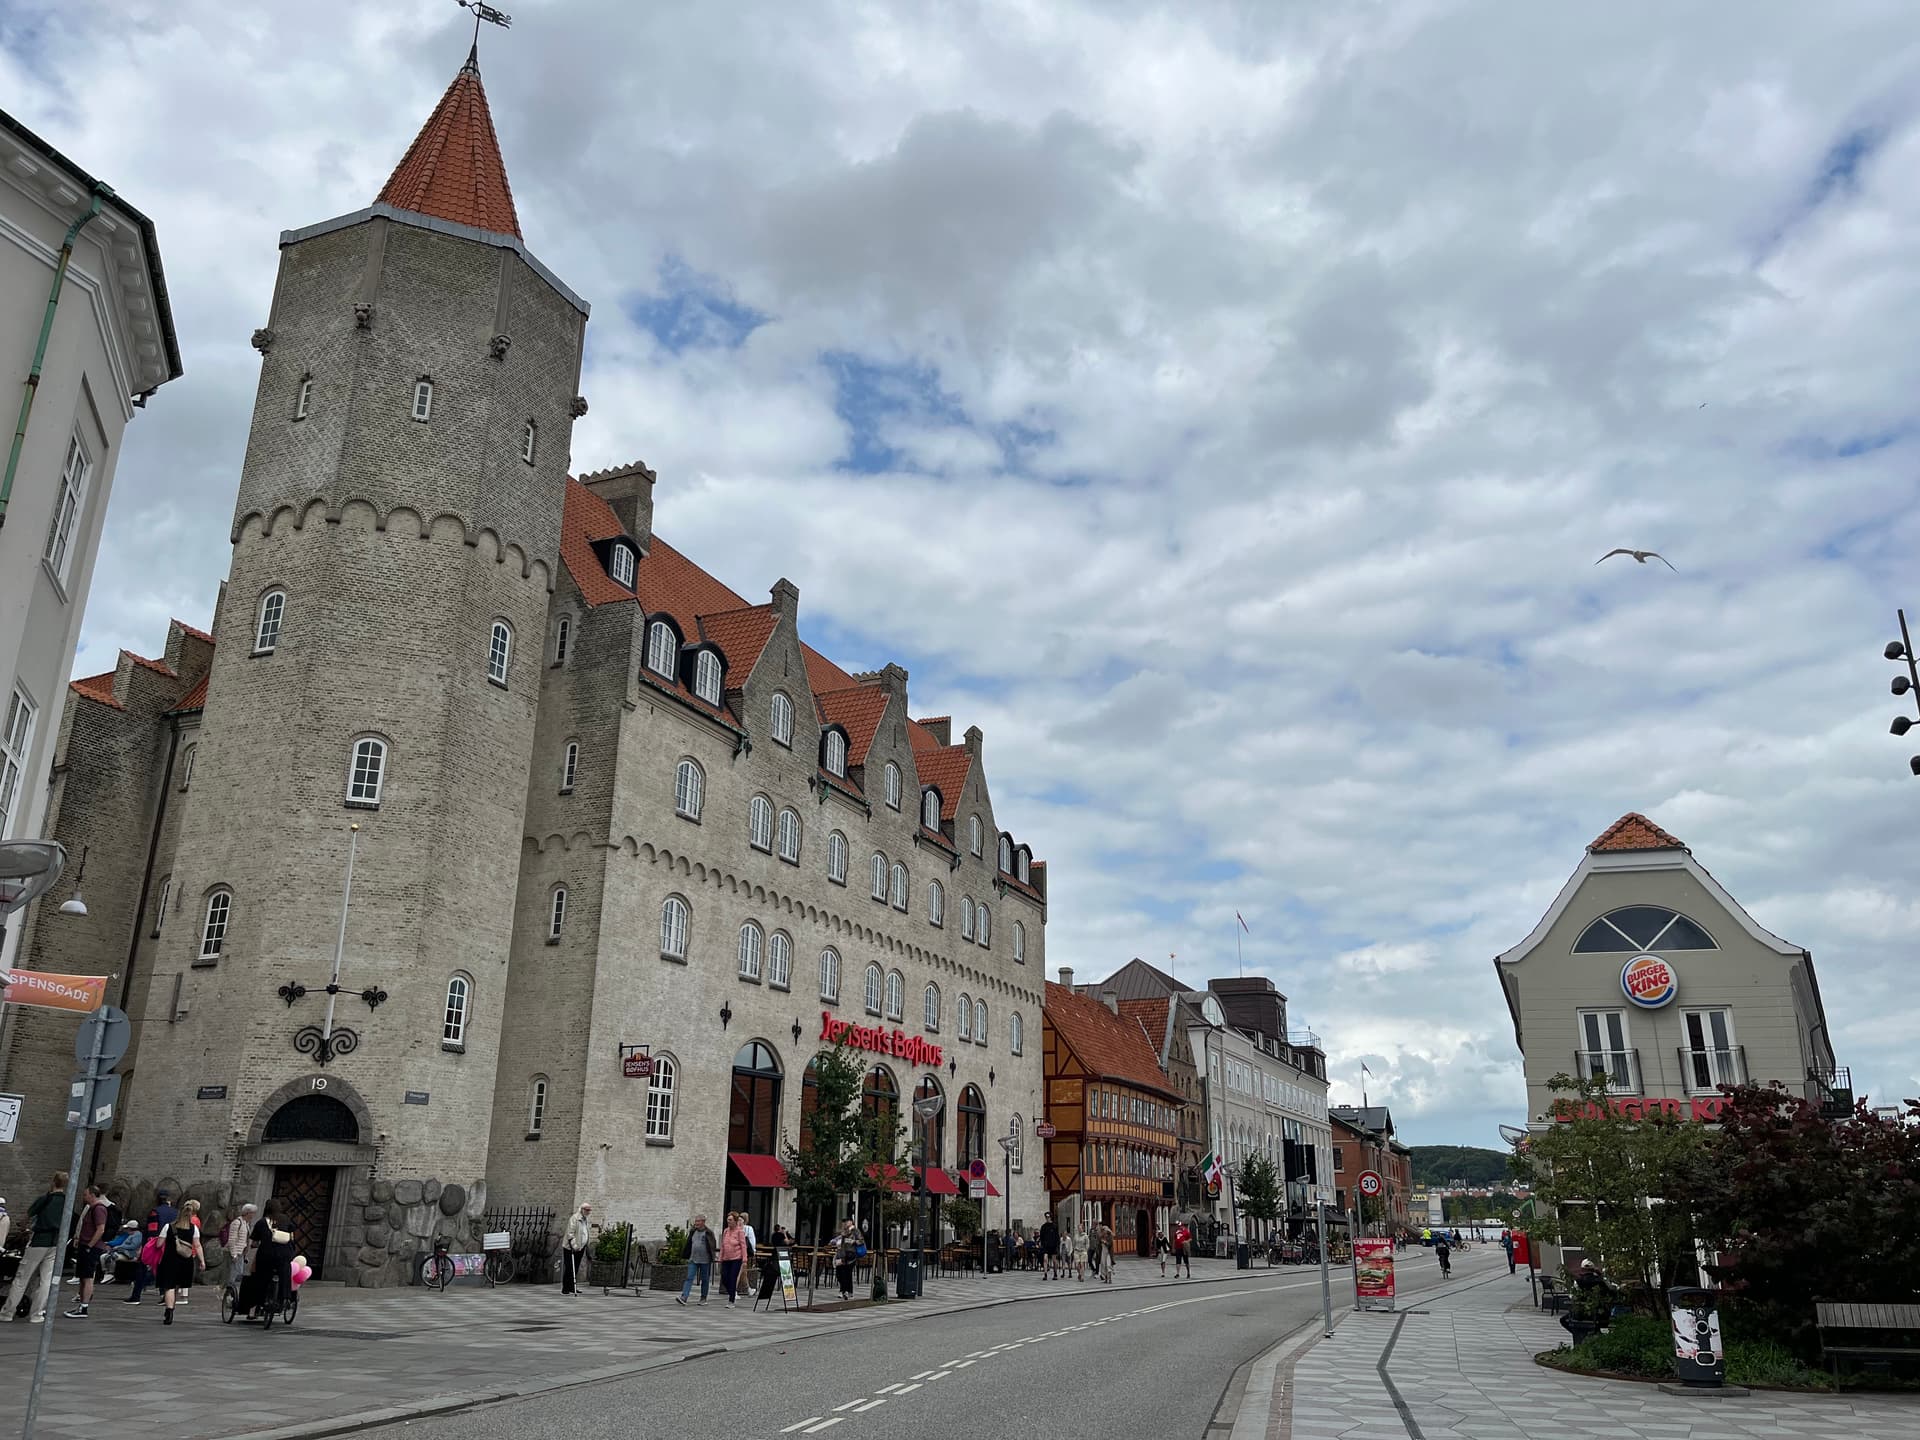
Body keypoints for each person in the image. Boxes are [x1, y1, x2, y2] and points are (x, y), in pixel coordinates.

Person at [5, 1170, 67, 1324]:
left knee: (22, 1278)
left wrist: (23, 1227)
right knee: (46, 1279)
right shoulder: (67, 1201)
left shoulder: (45, 1199)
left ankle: (7, 1312)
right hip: (56, 1242)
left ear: (53, 1182)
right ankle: (37, 1314)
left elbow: (27, 1216)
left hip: (39, 1240)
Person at [62, 1185, 113, 1318]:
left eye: (85, 1194)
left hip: (91, 1247)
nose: (83, 1197)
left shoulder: (99, 1209)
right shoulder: (90, 1208)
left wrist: (90, 1245)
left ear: (92, 1195)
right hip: (85, 1245)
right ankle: (81, 1305)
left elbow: (100, 1229)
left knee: (88, 1277)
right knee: (83, 1277)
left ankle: (84, 1307)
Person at [243, 1202, 294, 1322]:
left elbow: (254, 1242)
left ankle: (257, 1305)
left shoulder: (262, 1222)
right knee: (285, 1275)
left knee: (260, 1278)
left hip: (267, 1255)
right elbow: (292, 1236)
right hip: (284, 1254)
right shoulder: (286, 1220)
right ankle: (286, 1298)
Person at [155, 1199, 203, 1325]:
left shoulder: (168, 1226)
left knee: (168, 1286)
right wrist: (202, 1261)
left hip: (169, 1260)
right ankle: (172, 1307)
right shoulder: (194, 1229)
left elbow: (159, 1244)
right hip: (185, 1261)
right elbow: (197, 1245)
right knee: (176, 1286)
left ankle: (169, 1310)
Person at [128, 1187, 178, 1306]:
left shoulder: (155, 1211)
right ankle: (163, 1296)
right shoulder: (175, 1212)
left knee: (142, 1268)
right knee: (163, 1271)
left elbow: (152, 1230)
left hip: (156, 1242)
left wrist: (145, 1248)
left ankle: (136, 1296)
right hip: (170, 1244)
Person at [222, 1204, 258, 1302]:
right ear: (247, 1213)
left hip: (241, 1253)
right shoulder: (237, 1223)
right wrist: (233, 1254)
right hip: (236, 1253)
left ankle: (231, 1295)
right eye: (252, 1213)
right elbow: (232, 1239)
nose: (253, 1215)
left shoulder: (246, 1223)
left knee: (238, 1275)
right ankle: (228, 1296)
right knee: (233, 1275)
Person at [677, 1214, 716, 1305]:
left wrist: (712, 1256)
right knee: (689, 1277)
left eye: (698, 1221)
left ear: (703, 1222)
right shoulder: (693, 1231)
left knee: (705, 1279)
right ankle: (684, 1297)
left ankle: (703, 1298)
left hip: (705, 1260)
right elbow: (689, 1243)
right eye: (696, 1221)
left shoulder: (709, 1232)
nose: (696, 1223)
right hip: (693, 1259)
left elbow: (712, 1245)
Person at [561, 1202, 592, 1296]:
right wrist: (574, 1246)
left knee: (576, 1267)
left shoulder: (584, 1219)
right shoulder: (575, 1218)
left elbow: (584, 1232)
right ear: (582, 1209)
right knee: (570, 1267)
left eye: (589, 1210)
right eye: (587, 1210)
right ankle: (565, 1288)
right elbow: (570, 1233)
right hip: (571, 1248)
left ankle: (572, 1287)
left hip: (580, 1247)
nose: (588, 1212)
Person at [719, 1212, 749, 1306]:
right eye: (728, 1220)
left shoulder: (740, 1231)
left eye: (731, 1220)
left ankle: (731, 1300)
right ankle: (731, 1291)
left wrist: (744, 1260)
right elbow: (723, 1245)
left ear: (735, 1221)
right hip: (726, 1258)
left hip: (736, 1258)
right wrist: (720, 1257)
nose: (728, 1222)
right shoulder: (726, 1231)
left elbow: (743, 1246)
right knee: (724, 1277)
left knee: (732, 1278)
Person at [831, 1218, 861, 1300]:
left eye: (846, 1223)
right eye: (843, 1223)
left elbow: (860, 1241)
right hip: (840, 1256)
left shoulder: (855, 1231)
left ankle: (845, 1291)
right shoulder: (843, 1232)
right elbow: (837, 1240)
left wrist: (852, 1241)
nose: (844, 1224)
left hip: (850, 1256)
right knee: (839, 1273)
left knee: (846, 1274)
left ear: (851, 1222)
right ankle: (846, 1291)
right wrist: (834, 1241)